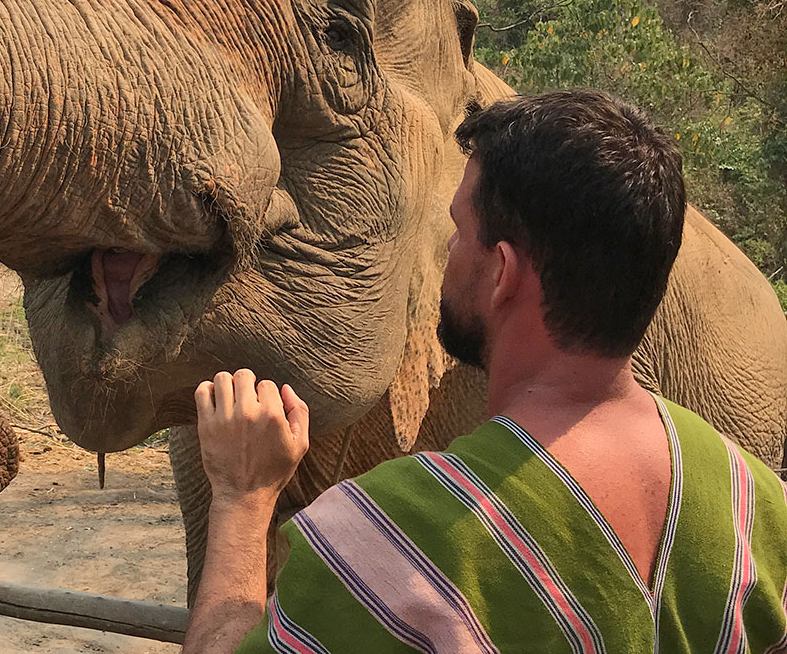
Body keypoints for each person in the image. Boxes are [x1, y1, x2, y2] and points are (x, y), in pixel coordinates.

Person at [181, 90, 787, 653]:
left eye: (459, 231)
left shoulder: (388, 542)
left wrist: (242, 496)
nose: (447, 253)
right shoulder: (756, 503)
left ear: (501, 272)